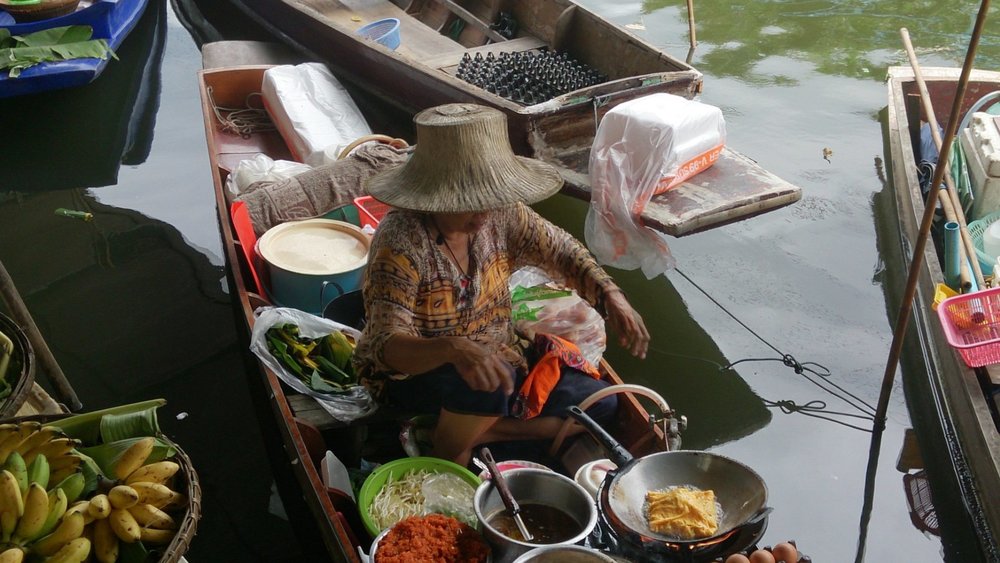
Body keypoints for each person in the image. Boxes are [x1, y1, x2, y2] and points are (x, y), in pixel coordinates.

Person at [353, 103, 649, 466]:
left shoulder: (501, 214)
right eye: (471, 203)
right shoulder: (400, 242)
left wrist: (611, 295)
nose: (484, 214)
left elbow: (562, 250)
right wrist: (454, 349)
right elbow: (386, 348)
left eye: (490, 201)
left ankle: (464, 434)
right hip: (417, 378)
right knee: (488, 382)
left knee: (601, 405)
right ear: (437, 195)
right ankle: (445, 452)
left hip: (502, 363)